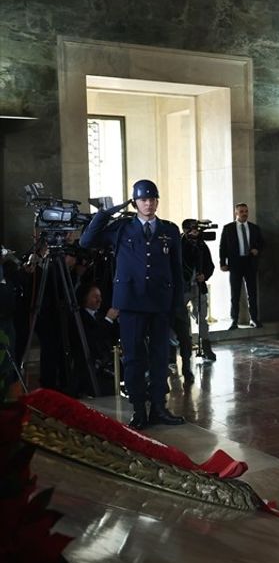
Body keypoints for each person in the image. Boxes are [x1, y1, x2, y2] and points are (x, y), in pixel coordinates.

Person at [80, 179, 185, 430]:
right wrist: (107, 212)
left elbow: (177, 270)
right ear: (135, 202)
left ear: (157, 201)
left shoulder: (169, 230)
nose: (148, 204)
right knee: (134, 359)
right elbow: (87, 241)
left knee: (161, 358)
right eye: (143, 199)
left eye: (152, 199)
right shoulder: (121, 228)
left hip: (160, 303)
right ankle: (139, 409)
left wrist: (177, 305)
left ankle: (159, 408)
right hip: (130, 303)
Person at [218, 202, 264, 328]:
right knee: (235, 294)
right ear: (236, 213)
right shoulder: (228, 228)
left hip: (250, 263)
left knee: (252, 293)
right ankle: (234, 320)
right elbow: (223, 247)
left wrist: (257, 249)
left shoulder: (254, 228)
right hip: (235, 264)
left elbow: (262, 243)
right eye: (242, 211)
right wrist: (222, 263)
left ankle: (254, 319)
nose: (244, 214)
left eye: (246, 211)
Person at [180, 219, 216, 362]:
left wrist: (204, 275)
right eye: (192, 229)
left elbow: (210, 266)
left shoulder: (202, 246)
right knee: (182, 318)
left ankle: (206, 347)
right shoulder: (179, 245)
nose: (196, 232)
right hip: (183, 287)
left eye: (197, 229)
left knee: (201, 317)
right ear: (185, 230)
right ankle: (186, 347)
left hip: (199, 286)